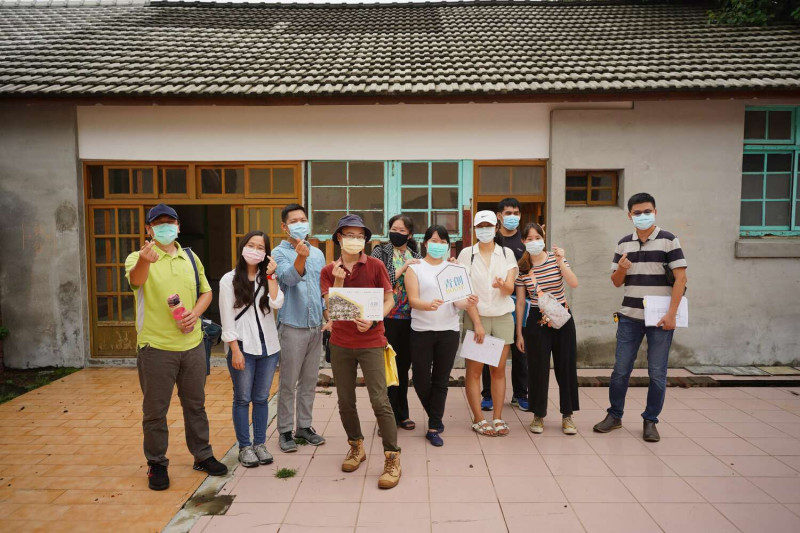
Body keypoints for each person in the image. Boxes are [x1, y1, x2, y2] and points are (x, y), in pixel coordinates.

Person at [124, 203, 227, 491]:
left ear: (179, 226)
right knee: (155, 410)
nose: (165, 227)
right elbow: (137, 280)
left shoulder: (190, 258)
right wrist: (146, 260)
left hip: (192, 344)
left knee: (196, 405)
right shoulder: (137, 257)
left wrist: (195, 313)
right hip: (155, 347)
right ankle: (156, 463)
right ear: (148, 229)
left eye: (170, 222)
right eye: (159, 224)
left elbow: (206, 292)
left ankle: (202, 455)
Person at [593, 193, 688, 443]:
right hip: (629, 317)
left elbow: (681, 278)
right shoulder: (624, 243)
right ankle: (614, 416)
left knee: (657, 372)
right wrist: (622, 269)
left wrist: (672, 314)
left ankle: (650, 420)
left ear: (655, 212)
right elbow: (615, 282)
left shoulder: (669, 240)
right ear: (629, 215)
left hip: (660, 320)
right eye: (637, 212)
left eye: (647, 211)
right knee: (620, 371)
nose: (642, 216)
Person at [320, 214, 401, 489]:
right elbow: (331, 311)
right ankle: (356, 445)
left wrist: (375, 319)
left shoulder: (376, 265)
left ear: (365, 239)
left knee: (380, 401)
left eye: (359, 235)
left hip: (372, 342)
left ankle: (392, 457)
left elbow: (390, 298)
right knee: (345, 401)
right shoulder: (328, 270)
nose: (355, 240)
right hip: (341, 343)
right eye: (349, 235)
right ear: (339, 238)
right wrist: (339, 282)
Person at [405, 225, 478, 447]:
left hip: (448, 331)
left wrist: (469, 302)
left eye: (443, 242)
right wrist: (428, 305)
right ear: (425, 243)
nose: (439, 245)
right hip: (421, 331)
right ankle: (435, 413)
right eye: (434, 241)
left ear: (448, 245)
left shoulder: (453, 269)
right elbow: (413, 300)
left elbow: (458, 301)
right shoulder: (416, 268)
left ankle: (434, 425)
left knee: (441, 380)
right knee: (419, 379)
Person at [219, 231, 283, 467]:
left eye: (260, 247)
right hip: (243, 347)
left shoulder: (267, 277)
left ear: (266, 252)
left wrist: (272, 275)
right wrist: (234, 349)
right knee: (242, 398)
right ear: (242, 247)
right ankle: (244, 447)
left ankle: (260, 444)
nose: (255, 250)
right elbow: (227, 318)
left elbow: (277, 302)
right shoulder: (229, 279)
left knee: (261, 398)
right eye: (251, 245)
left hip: (269, 347)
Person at [457, 210, 519, 437]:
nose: (485, 230)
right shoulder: (467, 254)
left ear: (496, 227)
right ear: (475, 229)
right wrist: (477, 323)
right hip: (477, 316)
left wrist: (502, 285)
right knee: (474, 371)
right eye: (480, 226)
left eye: (489, 226)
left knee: (499, 370)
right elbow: (465, 292)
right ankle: (478, 418)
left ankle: (498, 418)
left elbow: (510, 289)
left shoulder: (506, 253)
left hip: (503, 316)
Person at [514, 223, 580, 435]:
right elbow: (521, 303)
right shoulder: (522, 267)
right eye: (529, 239)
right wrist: (519, 332)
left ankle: (567, 415)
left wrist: (562, 262)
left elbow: (573, 283)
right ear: (523, 242)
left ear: (544, 238)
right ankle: (538, 414)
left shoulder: (555, 258)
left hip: (562, 318)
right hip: (536, 320)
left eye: (537, 237)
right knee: (537, 369)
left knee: (566, 367)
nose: (534, 242)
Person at [272, 204, 327, 453]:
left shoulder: (318, 253)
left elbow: (322, 289)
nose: (299, 224)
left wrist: (329, 316)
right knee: (288, 382)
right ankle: (284, 430)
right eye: (293, 221)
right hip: (292, 325)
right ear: (284, 227)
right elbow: (289, 279)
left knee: (309, 381)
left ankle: (304, 427)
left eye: (303, 219)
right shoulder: (278, 253)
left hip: (316, 325)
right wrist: (300, 256)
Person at [371, 214, 422, 432]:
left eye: (402, 231)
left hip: (410, 319)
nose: (397, 233)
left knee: (403, 368)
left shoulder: (416, 255)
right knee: (386, 369)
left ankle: (403, 414)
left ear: (410, 234)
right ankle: (386, 418)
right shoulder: (379, 252)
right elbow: (381, 282)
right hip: (387, 317)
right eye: (394, 229)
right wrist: (404, 267)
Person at [480, 197, 530, 413]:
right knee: (488, 350)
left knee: (520, 350)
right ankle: (488, 395)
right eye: (508, 213)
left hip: (520, 304)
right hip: (492, 303)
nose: (512, 217)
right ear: (499, 216)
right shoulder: (492, 239)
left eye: (516, 213)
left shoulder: (525, 241)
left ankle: (520, 394)